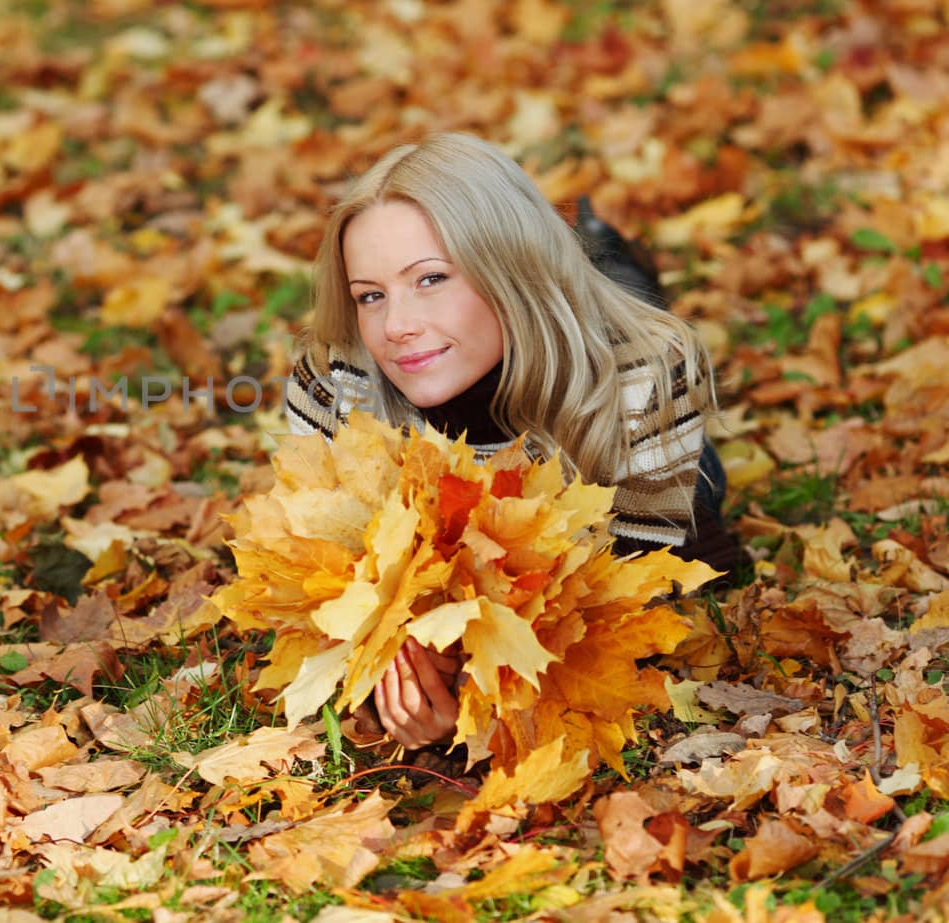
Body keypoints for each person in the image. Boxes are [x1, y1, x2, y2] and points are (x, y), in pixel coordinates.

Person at [283, 132, 747, 750]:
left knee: (701, 495)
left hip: (596, 417)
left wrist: (487, 691)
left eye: (430, 279)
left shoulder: (647, 378)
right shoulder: (335, 380)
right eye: (370, 295)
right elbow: (329, 578)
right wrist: (396, 652)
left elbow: (614, 610)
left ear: (508, 268)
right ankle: (593, 253)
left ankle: (607, 255)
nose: (395, 326)